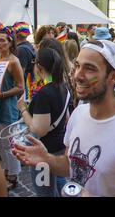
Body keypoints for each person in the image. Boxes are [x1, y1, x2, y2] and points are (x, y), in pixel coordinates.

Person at [13, 40, 115, 197]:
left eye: (89, 69)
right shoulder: (79, 114)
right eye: (77, 66)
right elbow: (70, 164)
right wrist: (47, 158)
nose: (77, 76)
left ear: (113, 77)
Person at [18, 48, 70, 196]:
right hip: (58, 145)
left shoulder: (45, 93)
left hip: (43, 150)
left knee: (44, 190)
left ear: (39, 66)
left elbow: (39, 129)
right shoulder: (63, 86)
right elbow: (65, 117)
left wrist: (23, 110)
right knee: (54, 185)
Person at [0, 27, 24, 190]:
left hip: (7, 106)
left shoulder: (13, 61)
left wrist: (2, 94)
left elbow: (21, 87)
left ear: (11, 42)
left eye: (2, 40)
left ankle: (14, 174)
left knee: (10, 142)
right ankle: (6, 169)